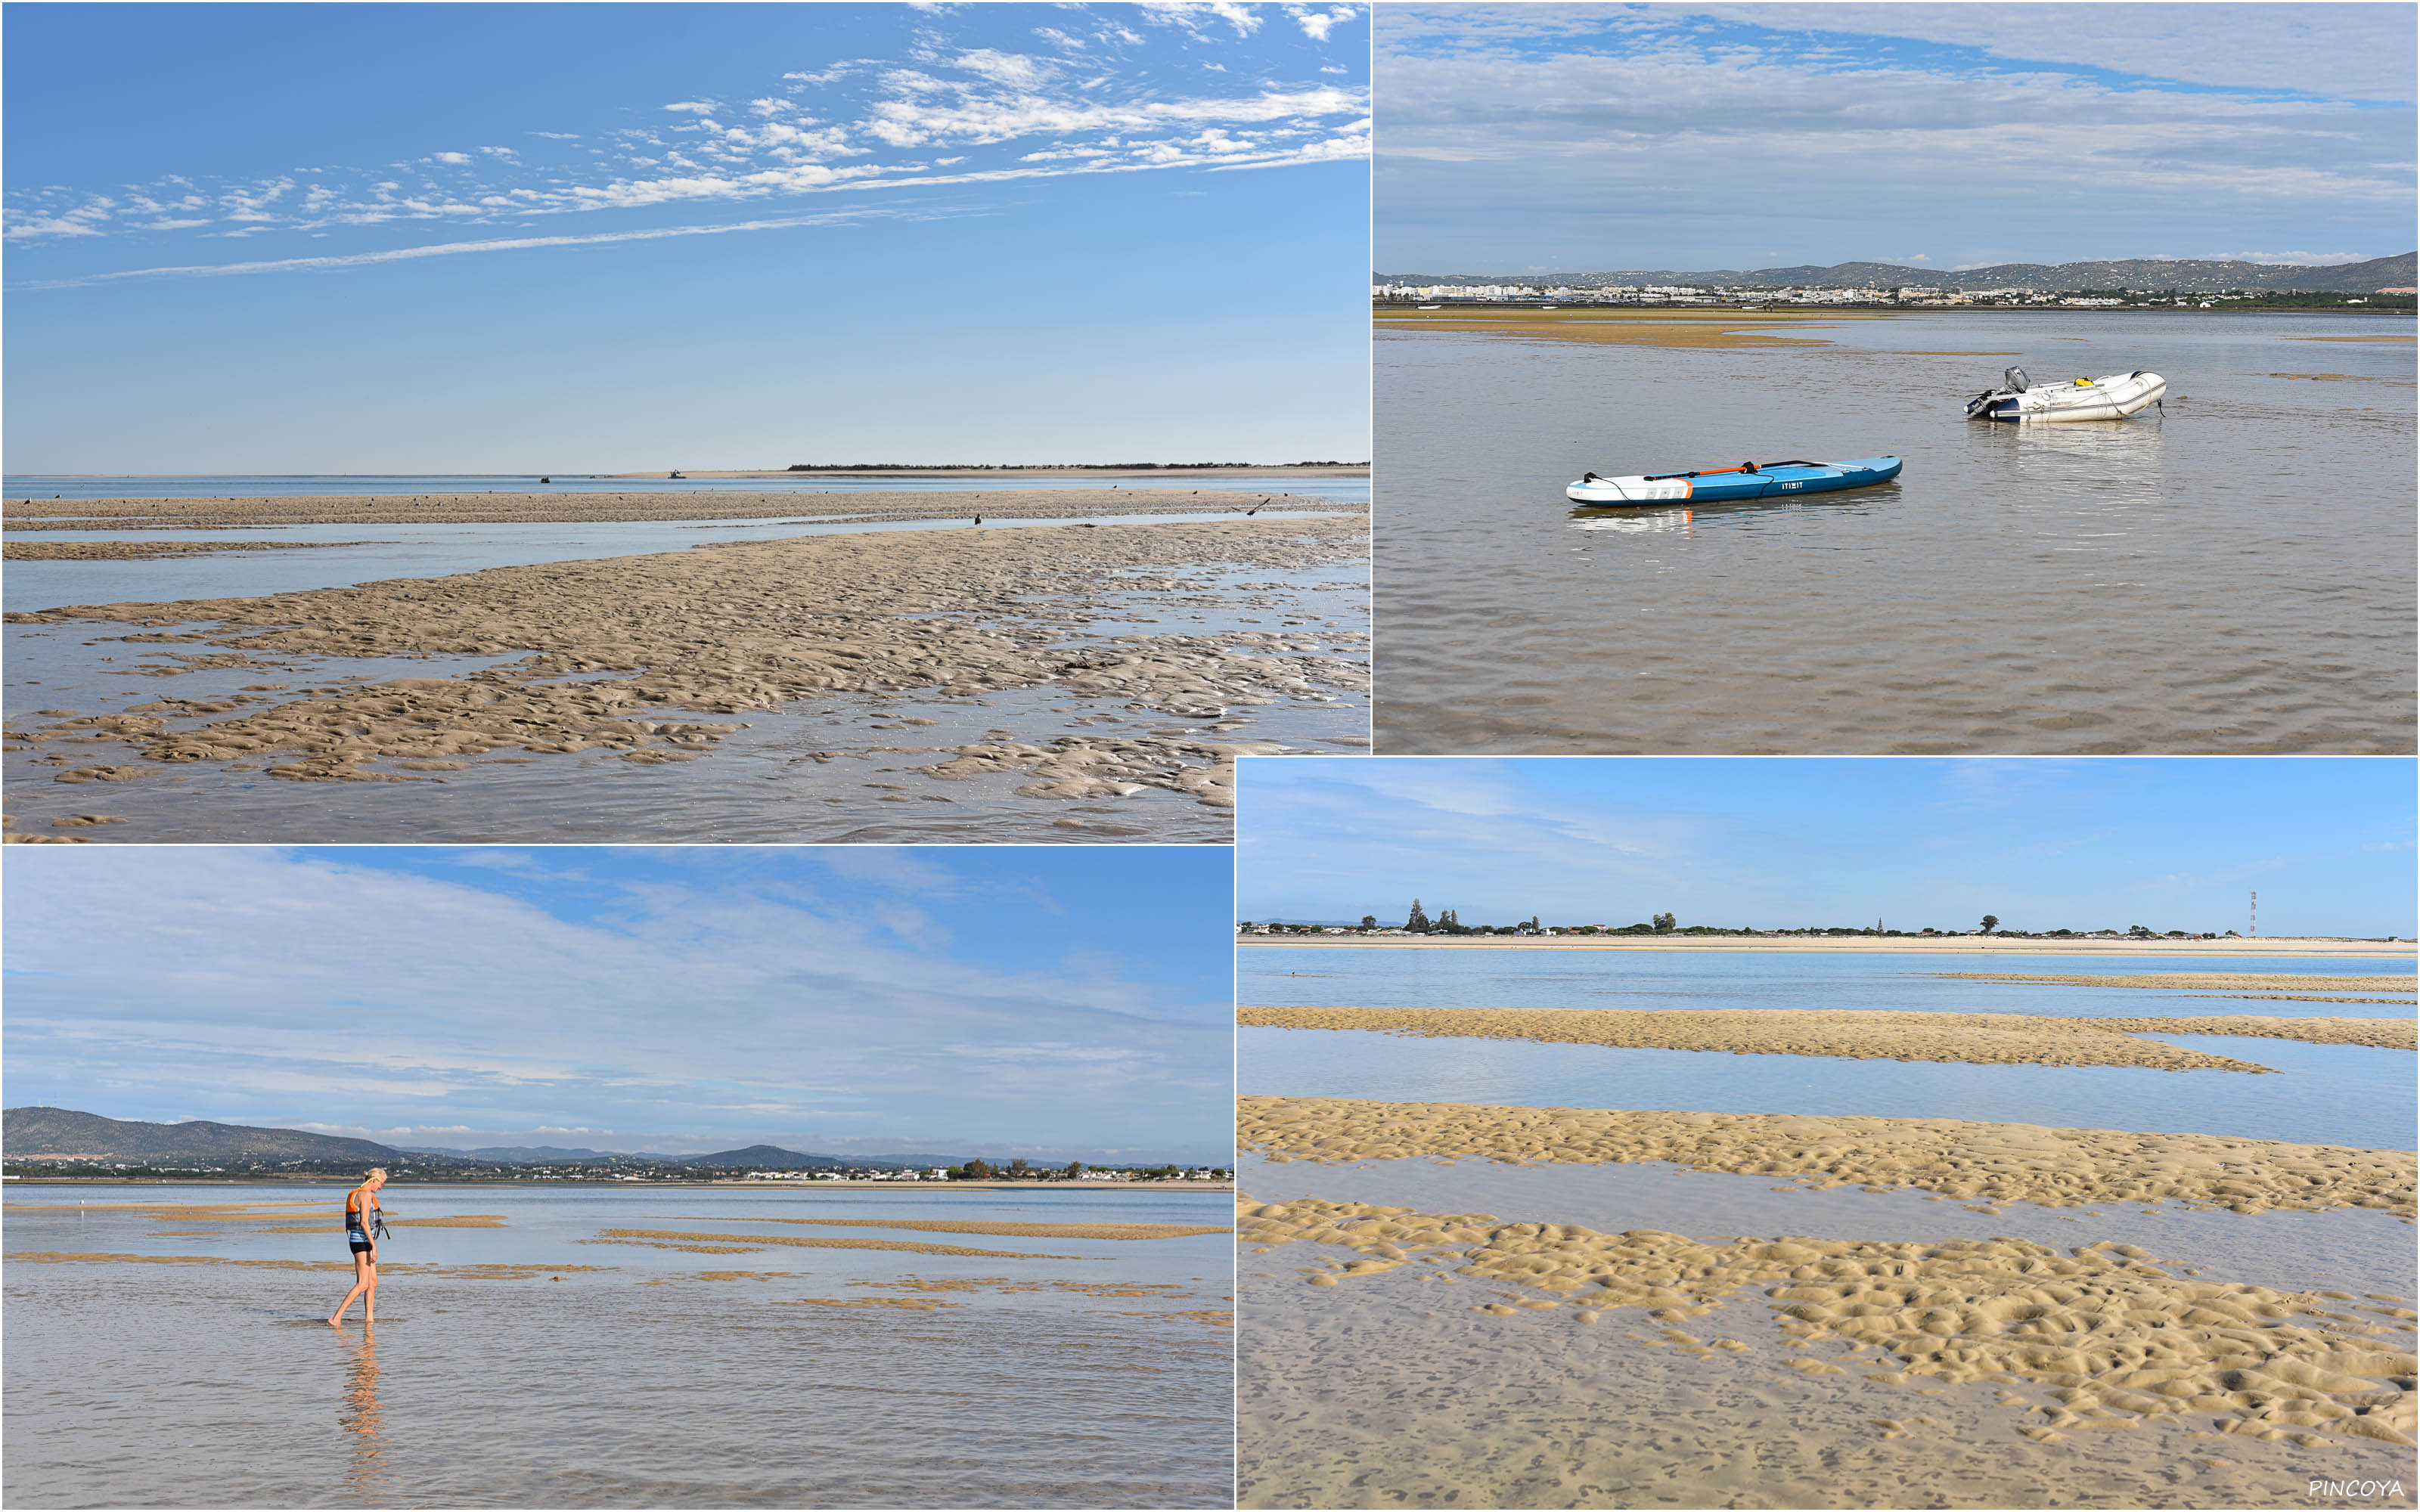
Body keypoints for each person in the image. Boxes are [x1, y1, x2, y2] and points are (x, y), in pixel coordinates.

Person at [327, 1168, 388, 1326]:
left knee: (373, 1281)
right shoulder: (366, 1195)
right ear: (374, 1180)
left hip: (364, 1240)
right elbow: (364, 1223)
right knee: (363, 1283)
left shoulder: (358, 1194)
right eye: (381, 1184)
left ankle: (369, 1319)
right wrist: (374, 1245)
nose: (381, 1187)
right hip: (360, 1241)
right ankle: (336, 1318)